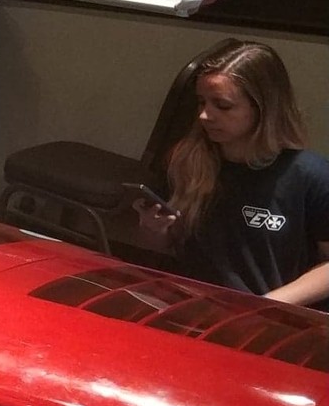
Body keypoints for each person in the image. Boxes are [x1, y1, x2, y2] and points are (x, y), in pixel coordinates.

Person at [137, 41, 329, 309]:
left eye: (223, 106)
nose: (204, 115)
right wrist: (153, 230)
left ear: (262, 108)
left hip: (271, 315)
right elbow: (162, 247)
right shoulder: (187, 161)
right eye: (201, 102)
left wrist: (267, 304)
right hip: (195, 308)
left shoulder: (310, 174)